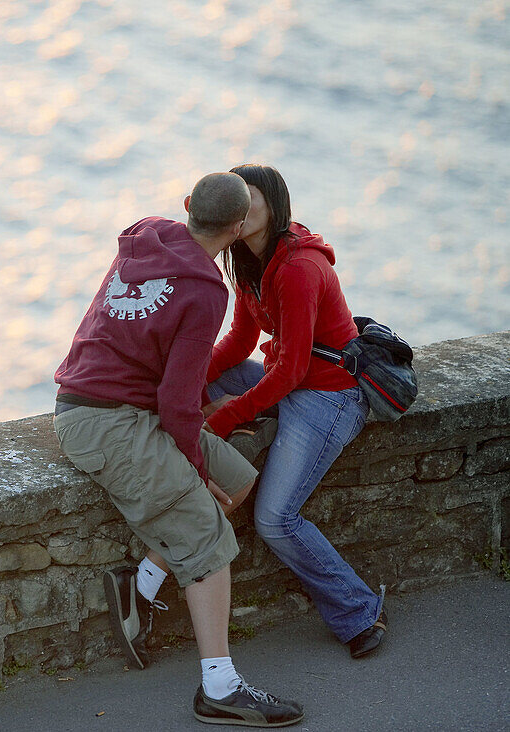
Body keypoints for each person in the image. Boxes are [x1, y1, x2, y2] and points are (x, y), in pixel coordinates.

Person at [54, 172, 304, 727]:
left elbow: (173, 396)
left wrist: (198, 459)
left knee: (238, 481)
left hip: (118, 406)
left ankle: (139, 584)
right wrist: (192, 469)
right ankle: (219, 686)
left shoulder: (147, 231)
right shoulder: (204, 290)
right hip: (105, 423)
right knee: (207, 538)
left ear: (187, 205)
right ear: (239, 230)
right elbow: (178, 400)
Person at [203, 163, 386, 659]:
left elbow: (293, 373)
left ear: (274, 206)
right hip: (288, 378)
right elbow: (241, 341)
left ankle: (360, 612)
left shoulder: (299, 269)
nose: (241, 209)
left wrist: (223, 420)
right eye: (235, 200)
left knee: (277, 519)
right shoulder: (248, 262)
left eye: (251, 199)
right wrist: (195, 380)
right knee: (204, 375)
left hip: (328, 395)